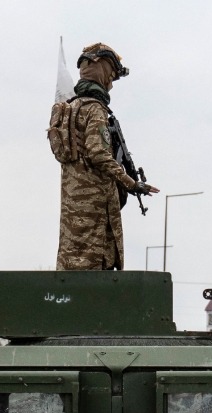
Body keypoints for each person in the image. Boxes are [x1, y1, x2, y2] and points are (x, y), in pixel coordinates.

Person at [54, 43, 160, 271]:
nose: (111, 83)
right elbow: (98, 154)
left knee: (73, 264)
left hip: (73, 205)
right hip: (96, 207)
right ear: (102, 73)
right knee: (100, 266)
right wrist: (132, 183)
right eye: (111, 76)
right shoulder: (95, 109)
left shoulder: (69, 108)